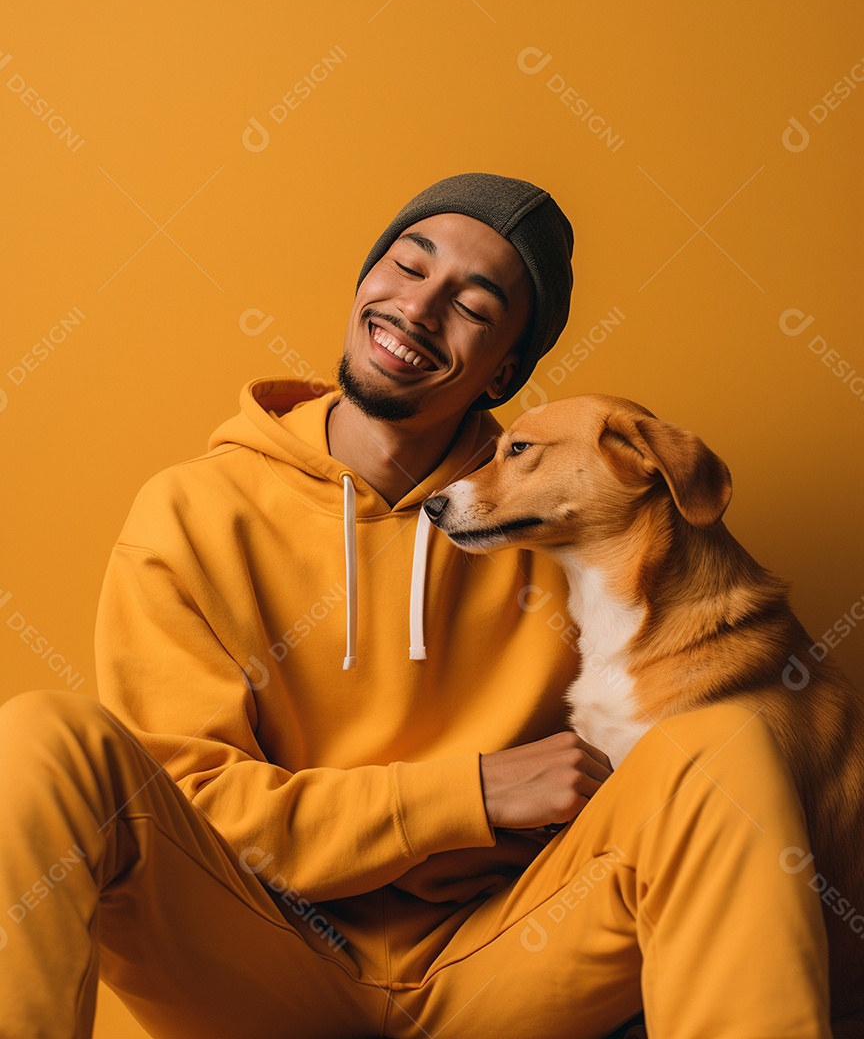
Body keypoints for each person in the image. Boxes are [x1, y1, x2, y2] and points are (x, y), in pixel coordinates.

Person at [0, 173, 834, 1038]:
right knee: (39, 738)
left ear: (505, 368)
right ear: (366, 281)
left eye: (472, 305)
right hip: (258, 956)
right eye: (407, 265)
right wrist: (464, 794)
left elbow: (734, 642)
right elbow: (202, 807)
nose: (418, 309)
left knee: (724, 747)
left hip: (511, 954)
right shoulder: (190, 515)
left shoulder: (561, 505)